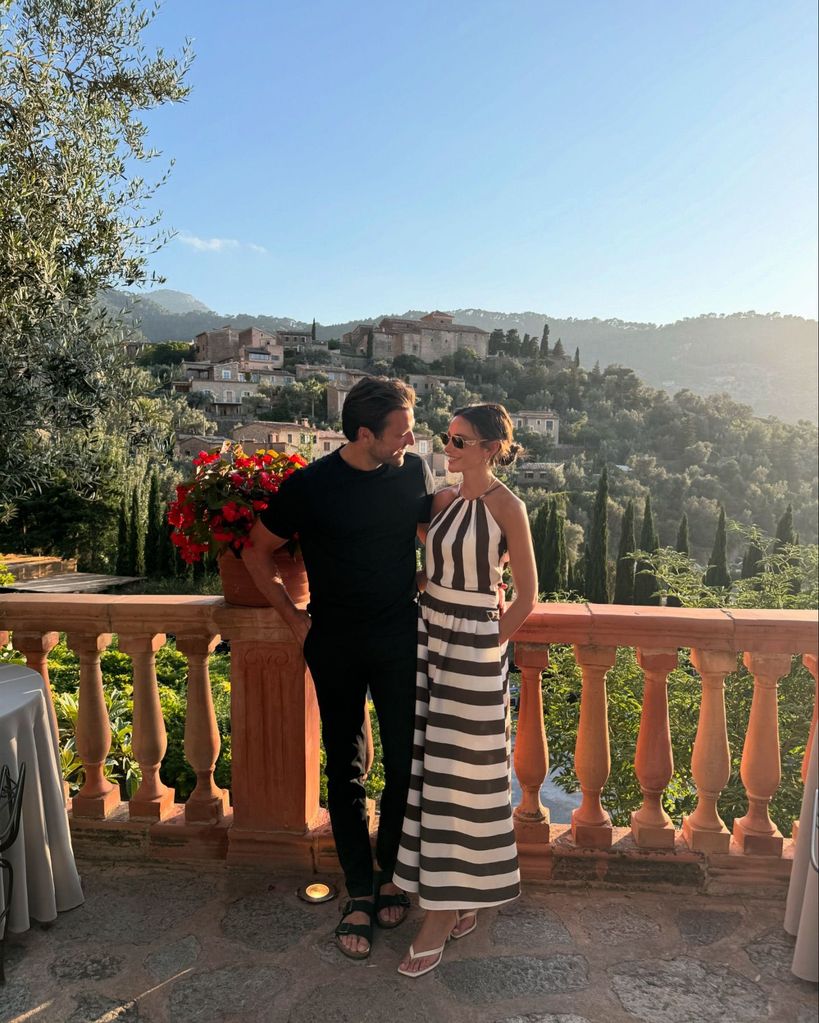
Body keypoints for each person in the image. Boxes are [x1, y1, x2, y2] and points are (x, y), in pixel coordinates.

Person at [241, 377, 435, 960]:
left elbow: (432, 539)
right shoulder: (312, 485)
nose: (410, 440)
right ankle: (358, 889)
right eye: (400, 432)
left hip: (401, 635)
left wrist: (468, 581)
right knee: (345, 767)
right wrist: (294, 620)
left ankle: (394, 874)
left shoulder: (414, 471)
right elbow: (256, 550)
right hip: (336, 642)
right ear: (364, 433)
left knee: (405, 761)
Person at [393, 402, 537, 978]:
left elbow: (526, 596)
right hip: (431, 638)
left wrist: (486, 647)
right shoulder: (444, 502)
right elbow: (429, 571)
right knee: (434, 772)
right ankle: (460, 897)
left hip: (474, 652)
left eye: (457, 441)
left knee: (468, 776)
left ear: (490, 448)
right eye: (445, 438)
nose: (447, 449)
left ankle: (444, 907)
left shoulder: (509, 507)